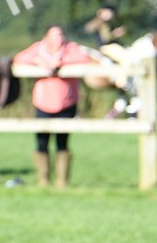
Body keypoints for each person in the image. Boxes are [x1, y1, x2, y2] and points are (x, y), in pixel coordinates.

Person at [14, 25, 96, 188]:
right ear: (46, 37)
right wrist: (40, 62)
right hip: (42, 103)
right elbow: (19, 59)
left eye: (60, 35)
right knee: (42, 142)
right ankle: (43, 179)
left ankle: (61, 181)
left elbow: (85, 59)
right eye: (54, 35)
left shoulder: (71, 49)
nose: (59, 38)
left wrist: (60, 63)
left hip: (66, 103)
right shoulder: (38, 49)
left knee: (62, 142)